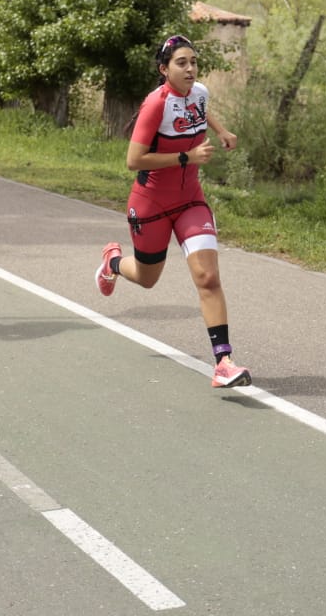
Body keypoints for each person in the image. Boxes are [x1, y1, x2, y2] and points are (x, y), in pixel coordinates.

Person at [94, 34, 251, 389]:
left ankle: (223, 361)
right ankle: (113, 263)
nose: (191, 68)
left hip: (190, 199)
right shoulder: (155, 104)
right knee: (148, 279)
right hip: (150, 203)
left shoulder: (199, 92)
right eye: (182, 63)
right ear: (164, 69)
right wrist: (186, 157)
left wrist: (222, 130)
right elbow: (133, 160)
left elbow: (199, 108)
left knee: (208, 277)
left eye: (194, 62)